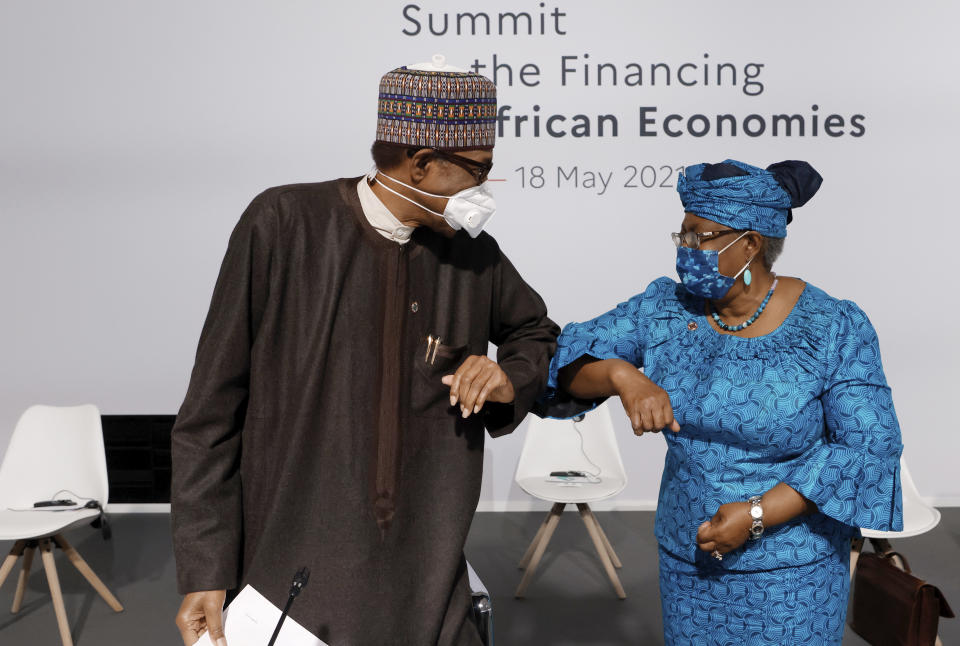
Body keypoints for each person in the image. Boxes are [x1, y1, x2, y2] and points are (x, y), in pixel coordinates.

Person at [170, 57, 559, 646]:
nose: (484, 190)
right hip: (292, 576)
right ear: (423, 163)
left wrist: (509, 376)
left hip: (429, 573)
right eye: (478, 171)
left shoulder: (474, 258)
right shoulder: (283, 224)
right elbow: (209, 414)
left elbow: (537, 333)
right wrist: (206, 570)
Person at [539, 159, 903, 645]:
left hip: (792, 571)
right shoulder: (666, 309)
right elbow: (564, 364)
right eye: (682, 236)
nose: (686, 251)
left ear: (750, 243)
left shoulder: (833, 326)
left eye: (699, 237)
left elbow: (870, 446)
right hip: (690, 561)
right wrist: (623, 375)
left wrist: (757, 514)